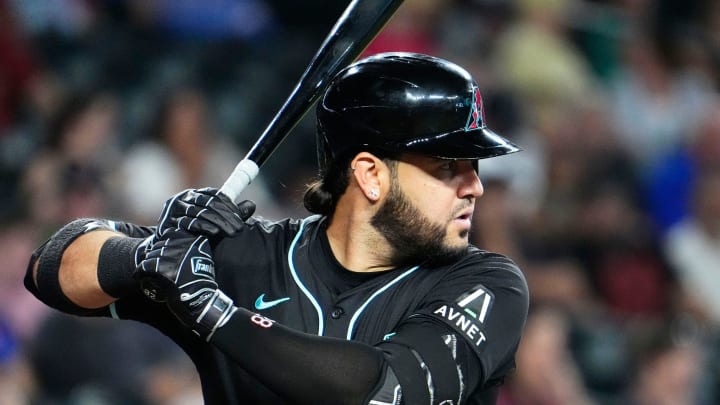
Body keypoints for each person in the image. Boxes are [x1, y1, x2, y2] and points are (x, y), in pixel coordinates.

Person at [24, 52, 529, 404]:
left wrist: (214, 313)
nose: (474, 187)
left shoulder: (486, 284)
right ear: (370, 174)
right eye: (447, 167)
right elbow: (51, 269)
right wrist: (150, 256)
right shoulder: (248, 258)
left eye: (475, 166)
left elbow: (381, 391)